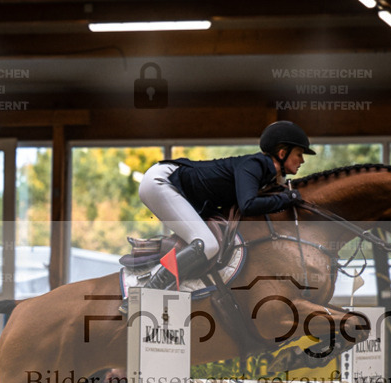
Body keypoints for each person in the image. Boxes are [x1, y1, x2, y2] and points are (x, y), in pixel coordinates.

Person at [120, 121, 314, 314]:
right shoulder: (254, 165)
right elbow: (248, 206)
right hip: (161, 182)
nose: (302, 161)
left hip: (172, 185)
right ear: (282, 153)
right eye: (299, 154)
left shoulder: (264, 174)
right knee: (207, 244)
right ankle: (146, 293)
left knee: (207, 242)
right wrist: (287, 199)